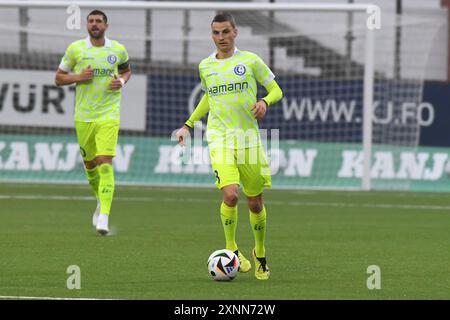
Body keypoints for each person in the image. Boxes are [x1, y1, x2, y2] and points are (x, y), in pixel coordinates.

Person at [176, 13, 283, 280]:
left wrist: (265, 102)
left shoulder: (250, 61)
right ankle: (232, 250)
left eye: (225, 32)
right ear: (212, 35)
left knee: (255, 203)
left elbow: (276, 90)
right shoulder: (205, 66)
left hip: (248, 140)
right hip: (219, 138)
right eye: (216, 33)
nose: (221, 38)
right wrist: (188, 124)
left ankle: (260, 253)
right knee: (231, 195)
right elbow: (208, 99)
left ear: (235, 32)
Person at [55, 10, 131, 235]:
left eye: (99, 21)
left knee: (105, 161)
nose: (95, 24)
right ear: (87, 25)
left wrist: (121, 81)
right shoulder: (76, 49)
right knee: (90, 165)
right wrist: (78, 77)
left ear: (106, 26)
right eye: (91, 21)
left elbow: (126, 71)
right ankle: (100, 200)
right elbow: (58, 78)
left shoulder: (117, 49)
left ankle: (104, 218)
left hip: (109, 115)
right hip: (83, 116)